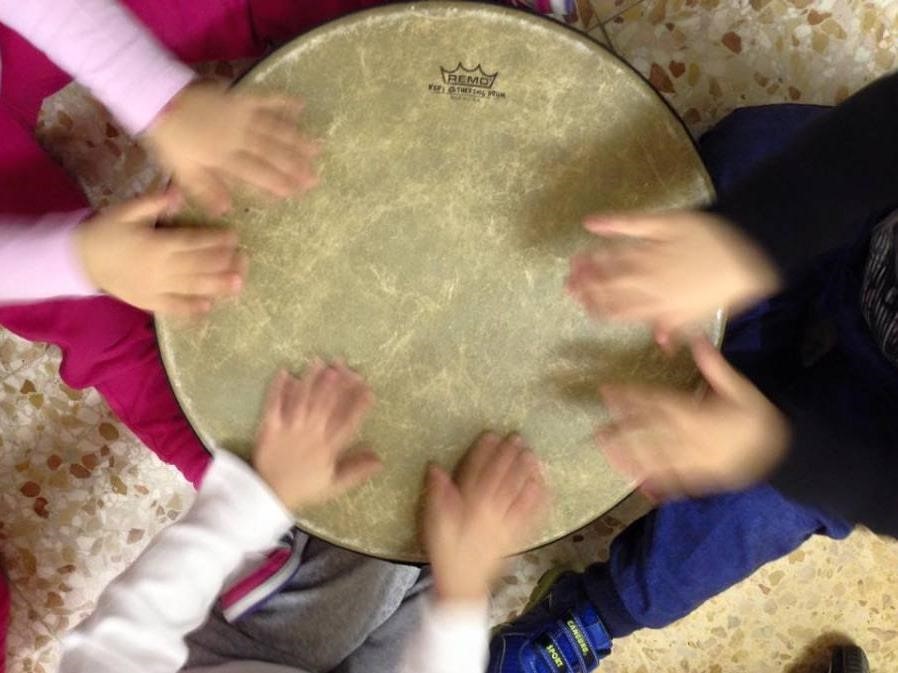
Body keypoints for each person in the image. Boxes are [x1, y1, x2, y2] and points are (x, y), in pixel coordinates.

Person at [489, 71, 898, 672]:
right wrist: (746, 242)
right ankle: (737, 355)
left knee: (759, 512)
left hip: (871, 430)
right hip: (860, 230)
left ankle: (588, 616)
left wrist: (773, 449)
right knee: (750, 151)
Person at [58, 361, 548, 673]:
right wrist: (462, 596)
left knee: (380, 516)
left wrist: (260, 495)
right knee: (442, 551)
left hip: (244, 651)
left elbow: (117, 644)